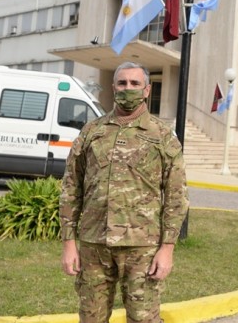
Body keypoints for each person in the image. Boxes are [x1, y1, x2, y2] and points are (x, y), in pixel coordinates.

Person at [60, 61, 189, 323]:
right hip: (94, 243)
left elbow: (176, 196)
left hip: (142, 247)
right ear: (113, 87)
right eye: (122, 83)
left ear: (146, 90)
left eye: (134, 84)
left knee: (143, 319)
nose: (127, 88)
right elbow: (71, 188)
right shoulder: (92, 132)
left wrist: (167, 249)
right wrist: (68, 243)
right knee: (91, 317)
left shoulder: (162, 136)